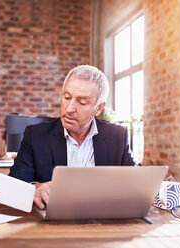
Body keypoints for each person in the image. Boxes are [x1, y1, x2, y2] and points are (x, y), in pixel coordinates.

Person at [9, 65, 137, 209]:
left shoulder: (117, 136)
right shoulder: (35, 135)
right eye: (67, 97)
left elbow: (136, 183)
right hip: (51, 222)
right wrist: (35, 189)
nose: (69, 109)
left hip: (104, 220)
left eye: (82, 102)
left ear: (99, 108)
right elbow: (14, 185)